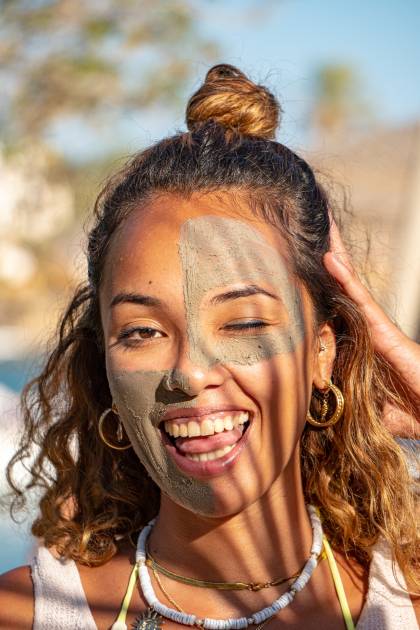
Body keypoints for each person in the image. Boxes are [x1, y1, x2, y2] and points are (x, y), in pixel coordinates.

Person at [0, 64, 419, 630]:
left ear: (322, 351)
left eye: (242, 322)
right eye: (142, 331)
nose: (190, 372)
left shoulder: (404, 604)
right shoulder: (24, 615)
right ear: (104, 369)